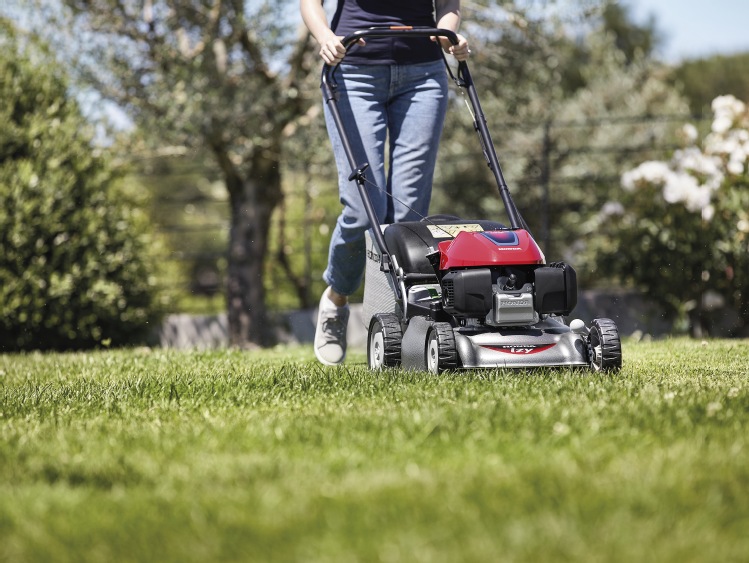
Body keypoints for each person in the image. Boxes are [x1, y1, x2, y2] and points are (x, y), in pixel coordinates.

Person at [300, 0, 470, 365]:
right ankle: (337, 299)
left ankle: (401, 323)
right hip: (353, 73)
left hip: (424, 75)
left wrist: (450, 34)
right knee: (364, 209)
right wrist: (324, 35)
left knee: (409, 216)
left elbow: (449, 4)